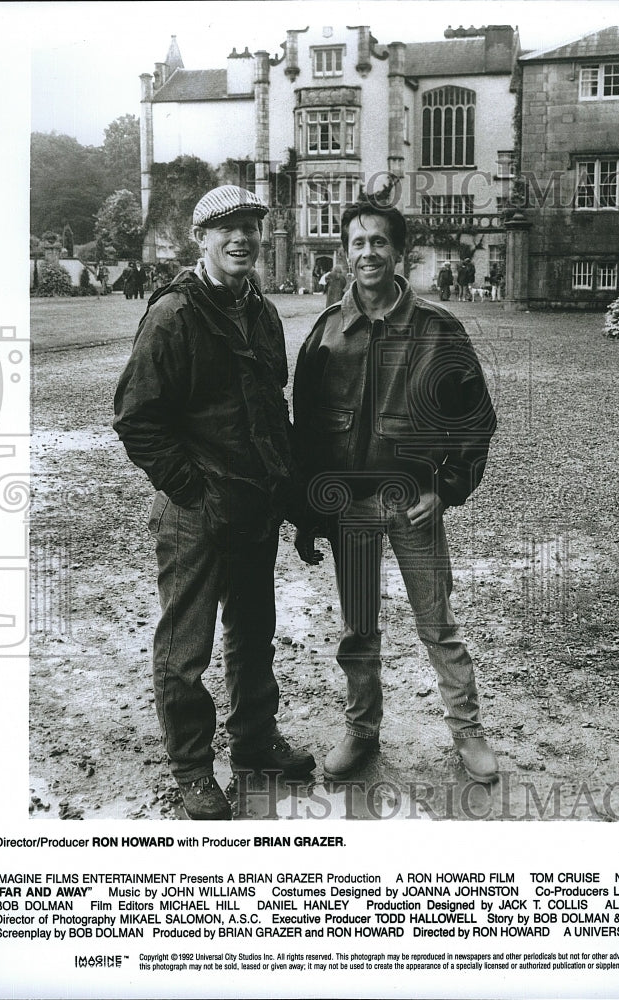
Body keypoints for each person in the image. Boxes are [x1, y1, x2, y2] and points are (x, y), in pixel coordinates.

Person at [113, 185, 314, 820]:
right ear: (200, 240)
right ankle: (193, 769)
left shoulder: (262, 312)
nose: (240, 239)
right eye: (225, 228)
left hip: (253, 505)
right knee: (187, 646)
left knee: (253, 634)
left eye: (250, 227)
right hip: (195, 510)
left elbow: (272, 414)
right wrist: (192, 490)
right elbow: (137, 418)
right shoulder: (174, 314)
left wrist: (291, 494)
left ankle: (254, 743)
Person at [292, 198, 499, 786]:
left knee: (438, 623)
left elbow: (475, 418)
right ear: (345, 253)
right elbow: (305, 427)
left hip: (412, 502)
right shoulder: (328, 330)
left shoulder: (437, 329)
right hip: (350, 507)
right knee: (359, 626)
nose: (368, 253)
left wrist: (446, 484)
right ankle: (361, 732)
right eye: (357, 243)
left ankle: (468, 732)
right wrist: (309, 511)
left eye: (379, 242)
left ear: (398, 251)